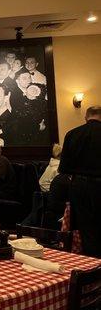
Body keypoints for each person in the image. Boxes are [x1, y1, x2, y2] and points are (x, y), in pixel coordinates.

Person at [59, 105, 101, 258]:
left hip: (79, 186)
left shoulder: (73, 134)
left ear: (86, 117)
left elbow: (63, 168)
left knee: (86, 229)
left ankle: (93, 268)